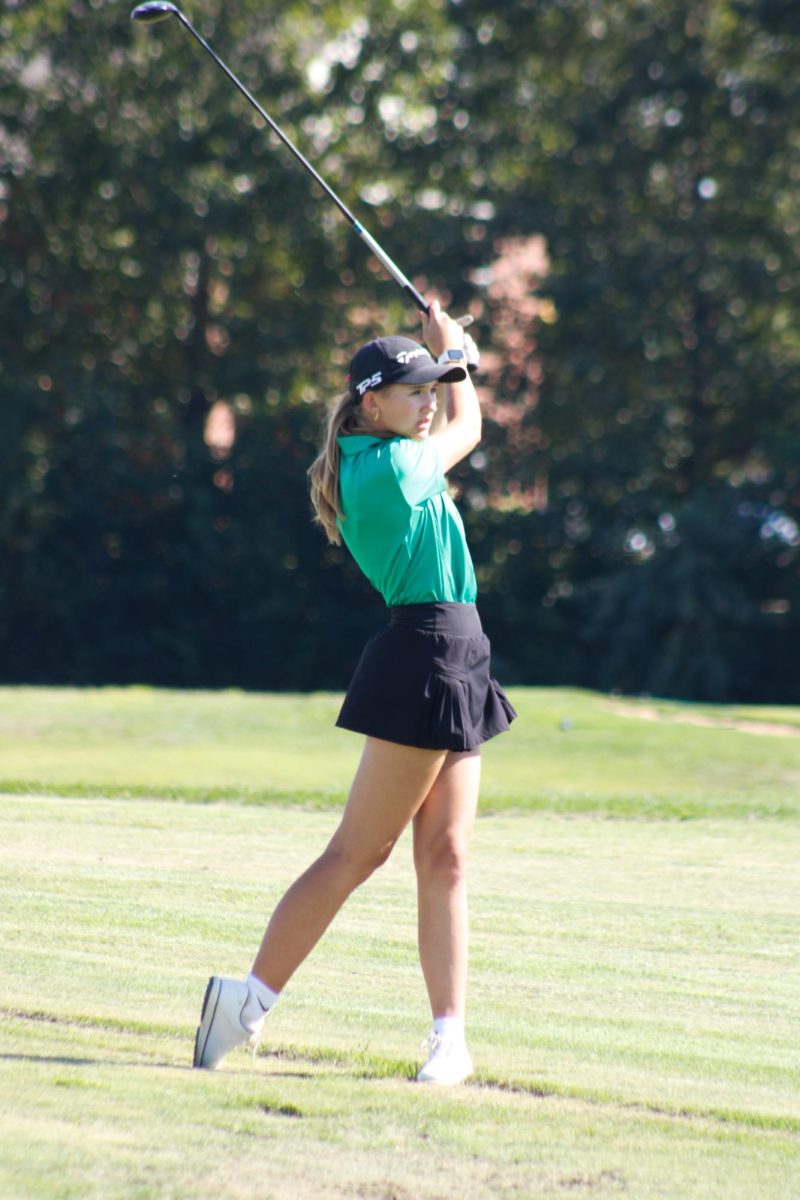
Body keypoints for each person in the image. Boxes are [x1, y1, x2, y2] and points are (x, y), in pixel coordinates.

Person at [193, 299, 516, 1085]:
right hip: (427, 652)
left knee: (447, 855)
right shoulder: (383, 464)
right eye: (417, 389)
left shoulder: (397, 451)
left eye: (435, 386)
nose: (432, 398)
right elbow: (469, 430)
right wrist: (463, 354)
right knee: (358, 852)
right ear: (373, 402)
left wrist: (452, 357)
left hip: (460, 649)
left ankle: (449, 1039)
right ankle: (248, 1000)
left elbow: (455, 422)